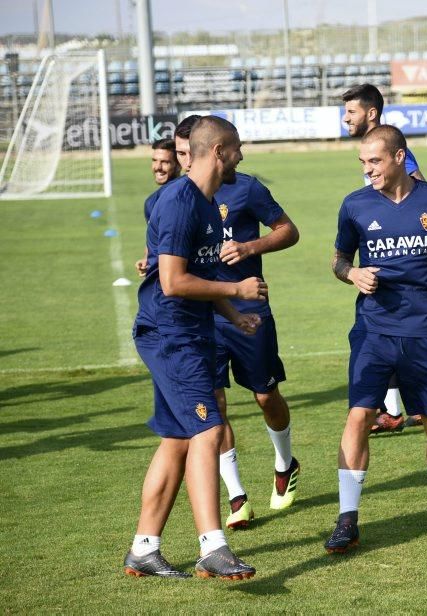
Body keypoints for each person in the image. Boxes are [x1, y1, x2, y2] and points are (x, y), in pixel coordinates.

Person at [325, 125, 427, 552]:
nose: (367, 170)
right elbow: (339, 259)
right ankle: (347, 518)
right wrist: (351, 273)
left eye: (374, 161)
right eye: (362, 162)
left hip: (426, 326)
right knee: (359, 416)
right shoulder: (354, 205)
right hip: (373, 329)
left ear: (398, 157)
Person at [125, 115, 263, 579]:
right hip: (171, 336)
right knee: (208, 431)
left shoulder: (206, 205)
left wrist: (231, 312)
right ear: (220, 151)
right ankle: (212, 546)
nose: (242, 156)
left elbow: (200, 275)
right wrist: (239, 292)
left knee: (178, 438)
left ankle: (144, 547)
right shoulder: (180, 203)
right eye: (238, 148)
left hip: (190, 332)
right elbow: (172, 281)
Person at [166, 114, 302, 529]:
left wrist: (249, 247)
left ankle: (285, 463)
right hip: (203, 314)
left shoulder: (247, 188)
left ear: (209, 150)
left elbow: (288, 230)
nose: (182, 161)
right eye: (178, 155)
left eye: (187, 153)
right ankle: (237, 496)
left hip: (248, 311)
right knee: (215, 405)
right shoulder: (179, 198)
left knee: (265, 396)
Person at [342, 83, 424, 433]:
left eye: (351, 112)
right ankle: (397, 407)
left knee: (382, 333)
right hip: (380, 262)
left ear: (371, 113)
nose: (345, 119)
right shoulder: (372, 149)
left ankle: (409, 404)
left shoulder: (389, 148)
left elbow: (419, 189)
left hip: (400, 266)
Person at [134, 138, 181, 277]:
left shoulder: (186, 196)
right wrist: (147, 259)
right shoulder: (151, 202)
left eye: (165, 162)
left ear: (179, 165)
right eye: (154, 160)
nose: (157, 167)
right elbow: (154, 238)